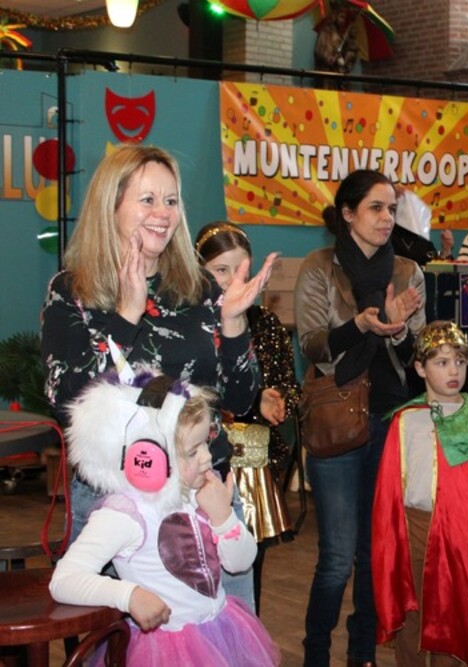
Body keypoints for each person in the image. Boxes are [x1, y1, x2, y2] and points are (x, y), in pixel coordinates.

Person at [40, 145, 275, 608]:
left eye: (171, 201)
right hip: (116, 506)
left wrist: (232, 323)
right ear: (112, 204)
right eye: (147, 200)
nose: (162, 214)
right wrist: (126, 316)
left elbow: (240, 398)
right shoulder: (73, 290)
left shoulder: (198, 287)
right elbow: (66, 397)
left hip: (205, 493)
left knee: (223, 632)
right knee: (125, 641)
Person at [49, 370, 279, 666]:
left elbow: (241, 562)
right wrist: (129, 595)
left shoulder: (198, 493)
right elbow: (64, 580)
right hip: (164, 651)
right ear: (148, 457)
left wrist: (224, 518)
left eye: (206, 443)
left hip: (220, 635)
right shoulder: (125, 514)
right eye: (193, 451)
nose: (208, 458)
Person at [294, 168, 426, 667]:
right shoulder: (319, 267)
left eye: (392, 208)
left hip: (391, 422)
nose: (387, 218)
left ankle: (362, 654)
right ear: (348, 213)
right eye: (375, 207)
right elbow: (313, 345)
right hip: (337, 423)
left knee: (375, 554)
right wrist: (360, 325)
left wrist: (398, 331)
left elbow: (418, 357)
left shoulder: (407, 272)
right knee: (336, 556)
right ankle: (315, 654)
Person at [372, 321, 468, 667]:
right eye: (442, 362)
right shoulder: (406, 419)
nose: (454, 371)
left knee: (454, 613)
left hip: (462, 536)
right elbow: (390, 490)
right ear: (421, 368)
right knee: (413, 611)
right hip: (416, 528)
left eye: (460, 362)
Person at [195, 221, 300, 614]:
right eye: (221, 269)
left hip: (251, 468)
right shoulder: (187, 322)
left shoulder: (265, 323)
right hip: (199, 464)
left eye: (242, 269)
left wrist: (275, 399)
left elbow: (288, 385)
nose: (232, 280)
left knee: (244, 572)